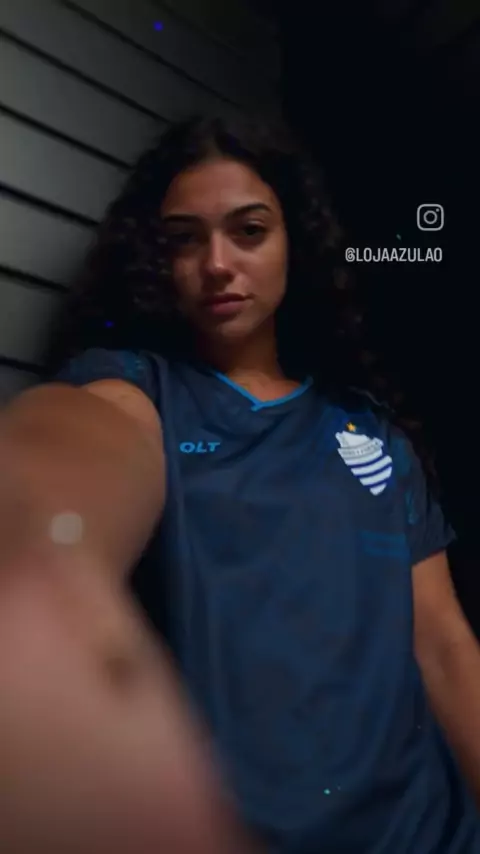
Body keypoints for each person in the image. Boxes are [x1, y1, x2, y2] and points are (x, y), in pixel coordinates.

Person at [1, 114, 480, 854]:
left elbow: (445, 648)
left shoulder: (373, 433)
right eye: (184, 240)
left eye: (248, 231)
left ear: (294, 244)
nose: (217, 263)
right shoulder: (139, 388)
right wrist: (43, 548)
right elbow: (81, 441)